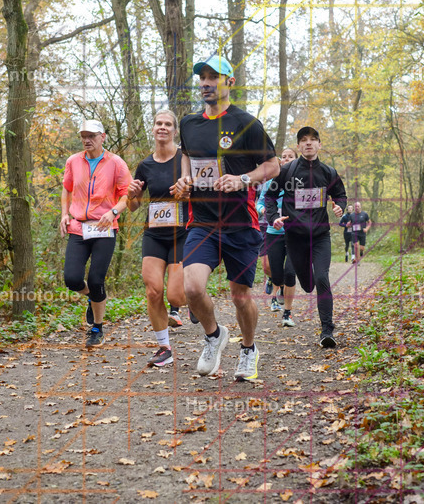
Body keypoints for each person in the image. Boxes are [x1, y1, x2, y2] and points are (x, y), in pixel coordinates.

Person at [173, 56, 279, 381]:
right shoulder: (189, 124)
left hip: (240, 224)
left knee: (240, 296)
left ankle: (248, 349)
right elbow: (187, 157)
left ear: (229, 82)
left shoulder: (247, 123)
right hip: (202, 222)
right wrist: (184, 181)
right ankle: (214, 335)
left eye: (213, 77)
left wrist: (243, 179)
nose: (206, 83)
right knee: (191, 289)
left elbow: (272, 166)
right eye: (202, 78)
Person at [267, 126, 347, 348]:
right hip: (295, 237)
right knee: (308, 283)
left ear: (320, 145)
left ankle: (327, 331)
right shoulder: (287, 171)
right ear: (299, 145)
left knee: (322, 278)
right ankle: (307, 279)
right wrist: (273, 217)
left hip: (320, 236)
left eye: (313, 140)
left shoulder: (328, 172)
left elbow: (340, 194)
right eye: (303, 140)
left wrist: (340, 206)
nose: (308, 143)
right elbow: (271, 196)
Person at [60, 119, 131, 347]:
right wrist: (64, 215)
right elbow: (67, 188)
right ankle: (93, 297)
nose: (86, 140)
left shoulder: (116, 163)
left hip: (104, 228)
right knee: (72, 278)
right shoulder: (73, 161)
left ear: (103, 136)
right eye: (83, 135)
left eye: (91, 135)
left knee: (96, 279)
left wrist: (112, 212)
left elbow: (126, 195)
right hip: (79, 227)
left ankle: (97, 329)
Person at [127, 110, 188, 367]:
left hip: (182, 234)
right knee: (153, 291)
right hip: (154, 233)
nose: (162, 127)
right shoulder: (145, 165)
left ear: (174, 131)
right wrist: (132, 194)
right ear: (152, 129)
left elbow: (199, 193)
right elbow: (133, 206)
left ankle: (194, 299)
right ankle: (164, 347)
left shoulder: (185, 158)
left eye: (167, 124)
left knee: (176, 296)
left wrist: (187, 192)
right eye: (158, 123)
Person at [259, 147, 298, 325]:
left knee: (290, 272)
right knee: (273, 270)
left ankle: (287, 313)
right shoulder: (270, 182)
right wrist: (264, 210)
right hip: (273, 232)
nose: (287, 159)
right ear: (280, 161)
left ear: (296, 160)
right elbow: (259, 202)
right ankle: (277, 283)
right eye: (284, 157)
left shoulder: (300, 181)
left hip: (295, 233)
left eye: (291, 157)